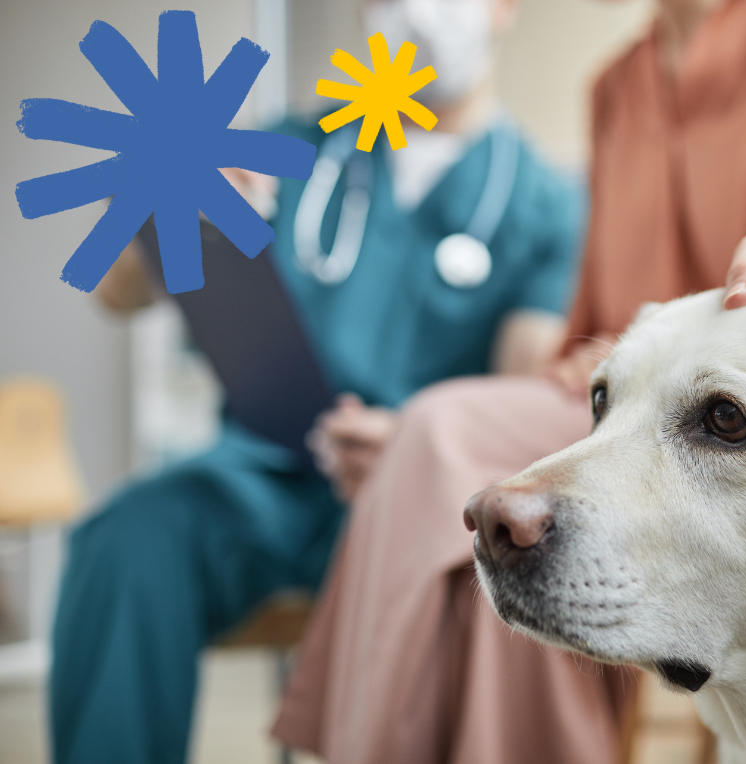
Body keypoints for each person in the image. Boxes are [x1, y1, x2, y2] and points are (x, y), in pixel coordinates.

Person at [270, 0, 746, 762]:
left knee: (446, 440)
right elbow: (592, 337)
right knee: (445, 452)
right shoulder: (615, 88)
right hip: (612, 407)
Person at [48, 2, 586, 762]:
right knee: (127, 538)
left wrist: (412, 448)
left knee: (476, 599)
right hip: (261, 482)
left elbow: (518, 385)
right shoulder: (290, 146)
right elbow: (115, 291)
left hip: (420, 497)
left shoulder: (546, 203)